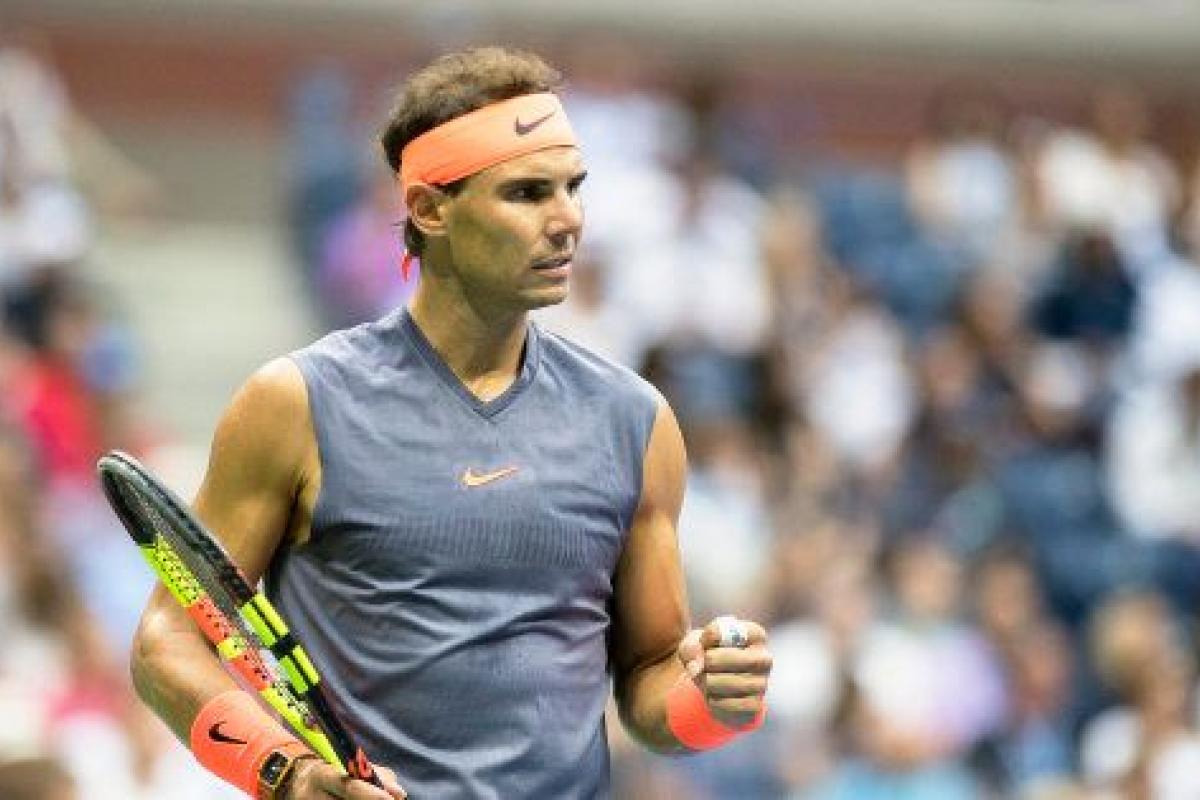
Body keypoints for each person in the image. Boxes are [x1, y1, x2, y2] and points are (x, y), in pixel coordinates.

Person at [129, 46, 772, 799]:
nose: (567, 219)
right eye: (527, 193)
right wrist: (285, 773)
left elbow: (648, 681)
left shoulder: (636, 421)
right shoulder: (295, 404)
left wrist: (709, 702)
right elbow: (168, 643)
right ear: (430, 210)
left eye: (572, 187)